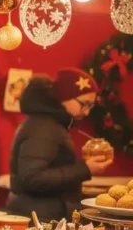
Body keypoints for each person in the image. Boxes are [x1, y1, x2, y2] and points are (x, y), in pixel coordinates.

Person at [7, 67, 112, 221]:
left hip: (38, 213)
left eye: (90, 106)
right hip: (39, 219)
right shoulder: (45, 127)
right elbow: (32, 178)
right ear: (64, 97)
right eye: (84, 104)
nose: (87, 112)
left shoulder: (47, 122)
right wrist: (85, 169)